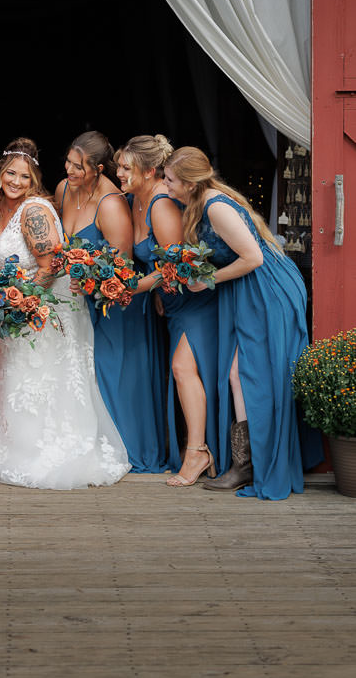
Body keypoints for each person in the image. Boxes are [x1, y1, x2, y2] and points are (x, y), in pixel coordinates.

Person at [164, 146, 322, 500]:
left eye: (171, 180)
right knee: (240, 374)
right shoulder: (202, 201)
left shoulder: (215, 207)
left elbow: (252, 258)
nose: (166, 186)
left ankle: (249, 466)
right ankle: (246, 464)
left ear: (190, 183)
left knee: (247, 374)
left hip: (266, 290)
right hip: (249, 291)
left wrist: (207, 280)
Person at [0, 138, 130, 489]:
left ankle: (39, 449)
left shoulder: (33, 211)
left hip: (40, 307)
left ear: (34, 179)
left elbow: (50, 264)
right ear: (0, 173)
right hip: (7, 308)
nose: (16, 182)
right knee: (11, 381)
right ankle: (10, 441)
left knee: (38, 380)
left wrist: (22, 305)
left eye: (24, 176)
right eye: (10, 173)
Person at [56, 131, 164, 473]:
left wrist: (90, 281)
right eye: (69, 163)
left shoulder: (112, 204)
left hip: (116, 304)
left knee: (114, 373)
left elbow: (122, 267)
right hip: (79, 302)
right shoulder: (62, 190)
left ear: (97, 169)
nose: (70, 171)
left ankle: (132, 450)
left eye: (78, 167)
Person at [117, 134, 221, 487]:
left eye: (125, 167)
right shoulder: (134, 200)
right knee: (181, 370)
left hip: (196, 300)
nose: (119, 173)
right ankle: (192, 446)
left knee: (182, 368)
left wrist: (141, 286)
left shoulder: (161, 203)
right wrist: (159, 291)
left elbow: (178, 260)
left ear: (148, 172)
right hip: (173, 301)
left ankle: (197, 451)